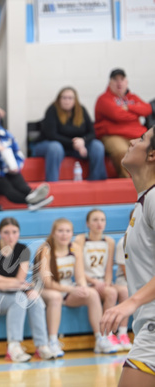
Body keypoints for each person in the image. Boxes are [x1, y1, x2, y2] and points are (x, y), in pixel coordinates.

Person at [101, 127, 155, 386]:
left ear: (152, 155)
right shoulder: (143, 202)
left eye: (142, 139)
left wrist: (130, 303)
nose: (132, 141)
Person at [35, 218, 118, 355]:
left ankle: (100, 339)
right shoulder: (45, 249)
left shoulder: (74, 248)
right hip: (45, 290)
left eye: (68, 231)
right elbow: (47, 282)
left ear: (72, 233)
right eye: (60, 231)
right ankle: (53, 341)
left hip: (67, 289)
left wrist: (84, 287)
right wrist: (72, 289)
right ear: (54, 233)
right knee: (55, 297)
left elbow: (79, 276)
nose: (64, 234)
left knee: (92, 293)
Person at [0, 217, 56, 361]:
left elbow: (20, 279)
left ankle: (42, 346)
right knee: (19, 299)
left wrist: (7, 283)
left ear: (19, 233)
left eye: (14, 232)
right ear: (0, 233)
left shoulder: (22, 249)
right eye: (6, 232)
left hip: (13, 290)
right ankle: (13, 347)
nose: (10, 236)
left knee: (35, 299)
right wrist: (13, 284)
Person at [0, 106, 54, 210]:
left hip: (8, 171)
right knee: (8, 188)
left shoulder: (7, 135)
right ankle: (32, 202)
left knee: (21, 184)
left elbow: (18, 155)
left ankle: (34, 197)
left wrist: (16, 167)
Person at [74, 209, 131, 351]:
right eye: (95, 220)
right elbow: (78, 268)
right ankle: (107, 334)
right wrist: (95, 282)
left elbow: (108, 268)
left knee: (124, 291)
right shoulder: (80, 239)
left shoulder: (109, 241)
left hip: (102, 282)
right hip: (87, 281)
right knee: (111, 293)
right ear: (88, 223)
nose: (99, 223)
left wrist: (106, 281)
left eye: (102, 220)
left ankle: (123, 334)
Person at [32, 87, 107, 182]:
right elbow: (51, 135)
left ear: (75, 100)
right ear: (59, 99)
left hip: (76, 147)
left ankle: (96, 181)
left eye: (70, 98)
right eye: (64, 98)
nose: (67, 101)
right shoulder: (52, 110)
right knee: (55, 147)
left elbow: (92, 132)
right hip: (49, 146)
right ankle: (52, 183)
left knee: (97, 146)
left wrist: (83, 141)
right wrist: (75, 143)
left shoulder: (81, 110)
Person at [94, 69, 152, 178]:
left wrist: (128, 107)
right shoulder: (103, 99)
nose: (119, 83)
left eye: (122, 79)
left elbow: (147, 109)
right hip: (114, 136)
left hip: (137, 135)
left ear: (126, 82)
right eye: (115, 80)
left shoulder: (133, 97)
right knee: (122, 152)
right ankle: (129, 184)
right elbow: (117, 115)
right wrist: (136, 112)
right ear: (110, 83)